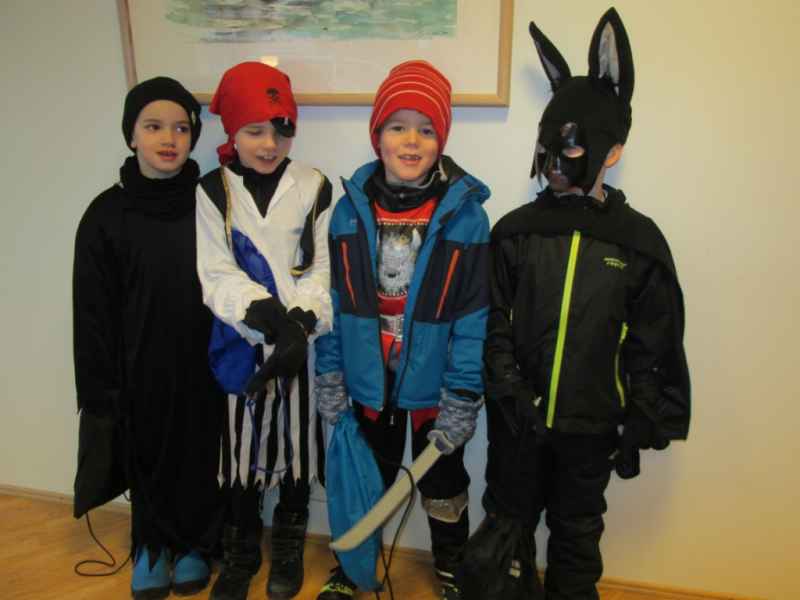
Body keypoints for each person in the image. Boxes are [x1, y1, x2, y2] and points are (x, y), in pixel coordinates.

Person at [479, 9, 691, 600]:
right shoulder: (515, 232)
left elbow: (652, 337)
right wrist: (507, 388)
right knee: (508, 529)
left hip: (590, 427)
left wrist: (640, 411)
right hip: (518, 422)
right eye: (548, 144)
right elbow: (492, 318)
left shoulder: (637, 242)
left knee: (576, 535)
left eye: (572, 145)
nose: (556, 159)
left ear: (611, 150)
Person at [314, 60, 491, 600]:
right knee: (368, 479)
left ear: (441, 141)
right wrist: (330, 373)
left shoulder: (466, 218)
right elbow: (331, 303)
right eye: (398, 126)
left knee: (443, 482)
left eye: (426, 129)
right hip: (370, 384)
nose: (411, 140)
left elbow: (474, 316)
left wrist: (463, 392)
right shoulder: (347, 213)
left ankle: (452, 565)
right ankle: (352, 567)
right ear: (378, 135)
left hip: (435, 389)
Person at [72, 77, 224, 600]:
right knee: (148, 454)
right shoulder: (105, 214)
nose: (169, 138)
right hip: (138, 362)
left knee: (200, 452)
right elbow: (91, 310)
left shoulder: (212, 204)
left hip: (203, 358)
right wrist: (101, 388)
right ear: (131, 134)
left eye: (181, 128)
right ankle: (151, 547)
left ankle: (197, 544)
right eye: (154, 126)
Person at [195, 61, 333, 600]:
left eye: (280, 130)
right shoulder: (213, 191)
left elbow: (321, 268)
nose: (269, 144)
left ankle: (289, 545)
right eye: (254, 131)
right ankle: (242, 548)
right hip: (240, 342)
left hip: (302, 344)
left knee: (297, 446)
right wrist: (268, 320)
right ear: (232, 130)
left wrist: (299, 323)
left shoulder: (314, 185)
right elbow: (215, 272)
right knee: (240, 451)